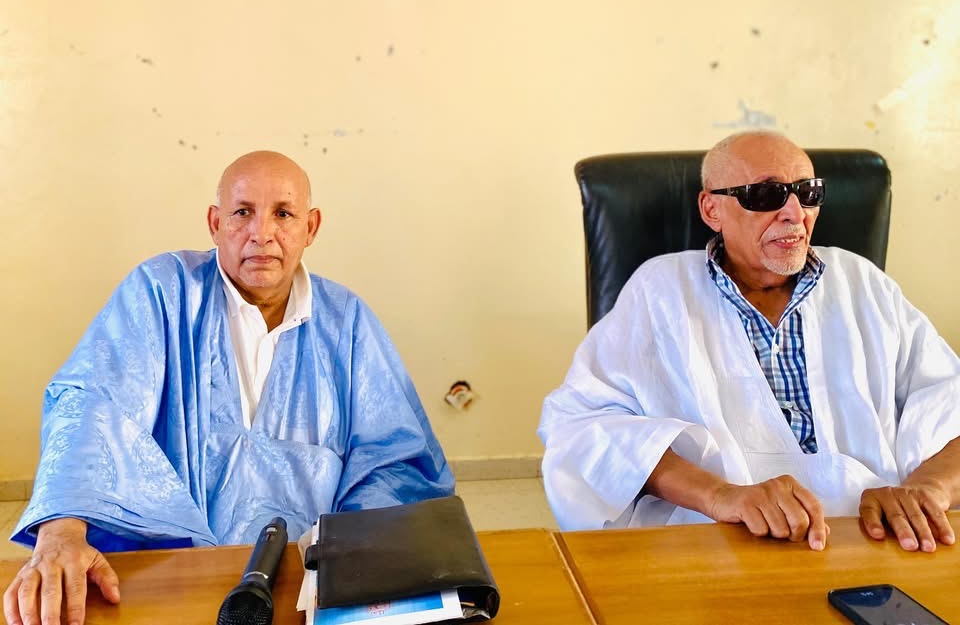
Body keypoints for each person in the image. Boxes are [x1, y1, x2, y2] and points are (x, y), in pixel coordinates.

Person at [4, 151, 453, 625]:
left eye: (283, 214)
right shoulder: (161, 292)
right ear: (215, 223)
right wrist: (62, 530)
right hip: (173, 574)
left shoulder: (348, 321)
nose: (262, 233)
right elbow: (94, 404)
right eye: (242, 212)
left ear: (311, 227)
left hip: (308, 581)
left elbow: (394, 460)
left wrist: (351, 563)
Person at [540, 131, 960, 553]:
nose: (795, 213)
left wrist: (926, 490)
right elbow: (581, 426)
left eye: (808, 193)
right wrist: (722, 496)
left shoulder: (862, 283)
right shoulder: (661, 290)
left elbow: (950, 399)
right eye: (766, 195)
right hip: (716, 536)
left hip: (874, 533)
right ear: (712, 209)